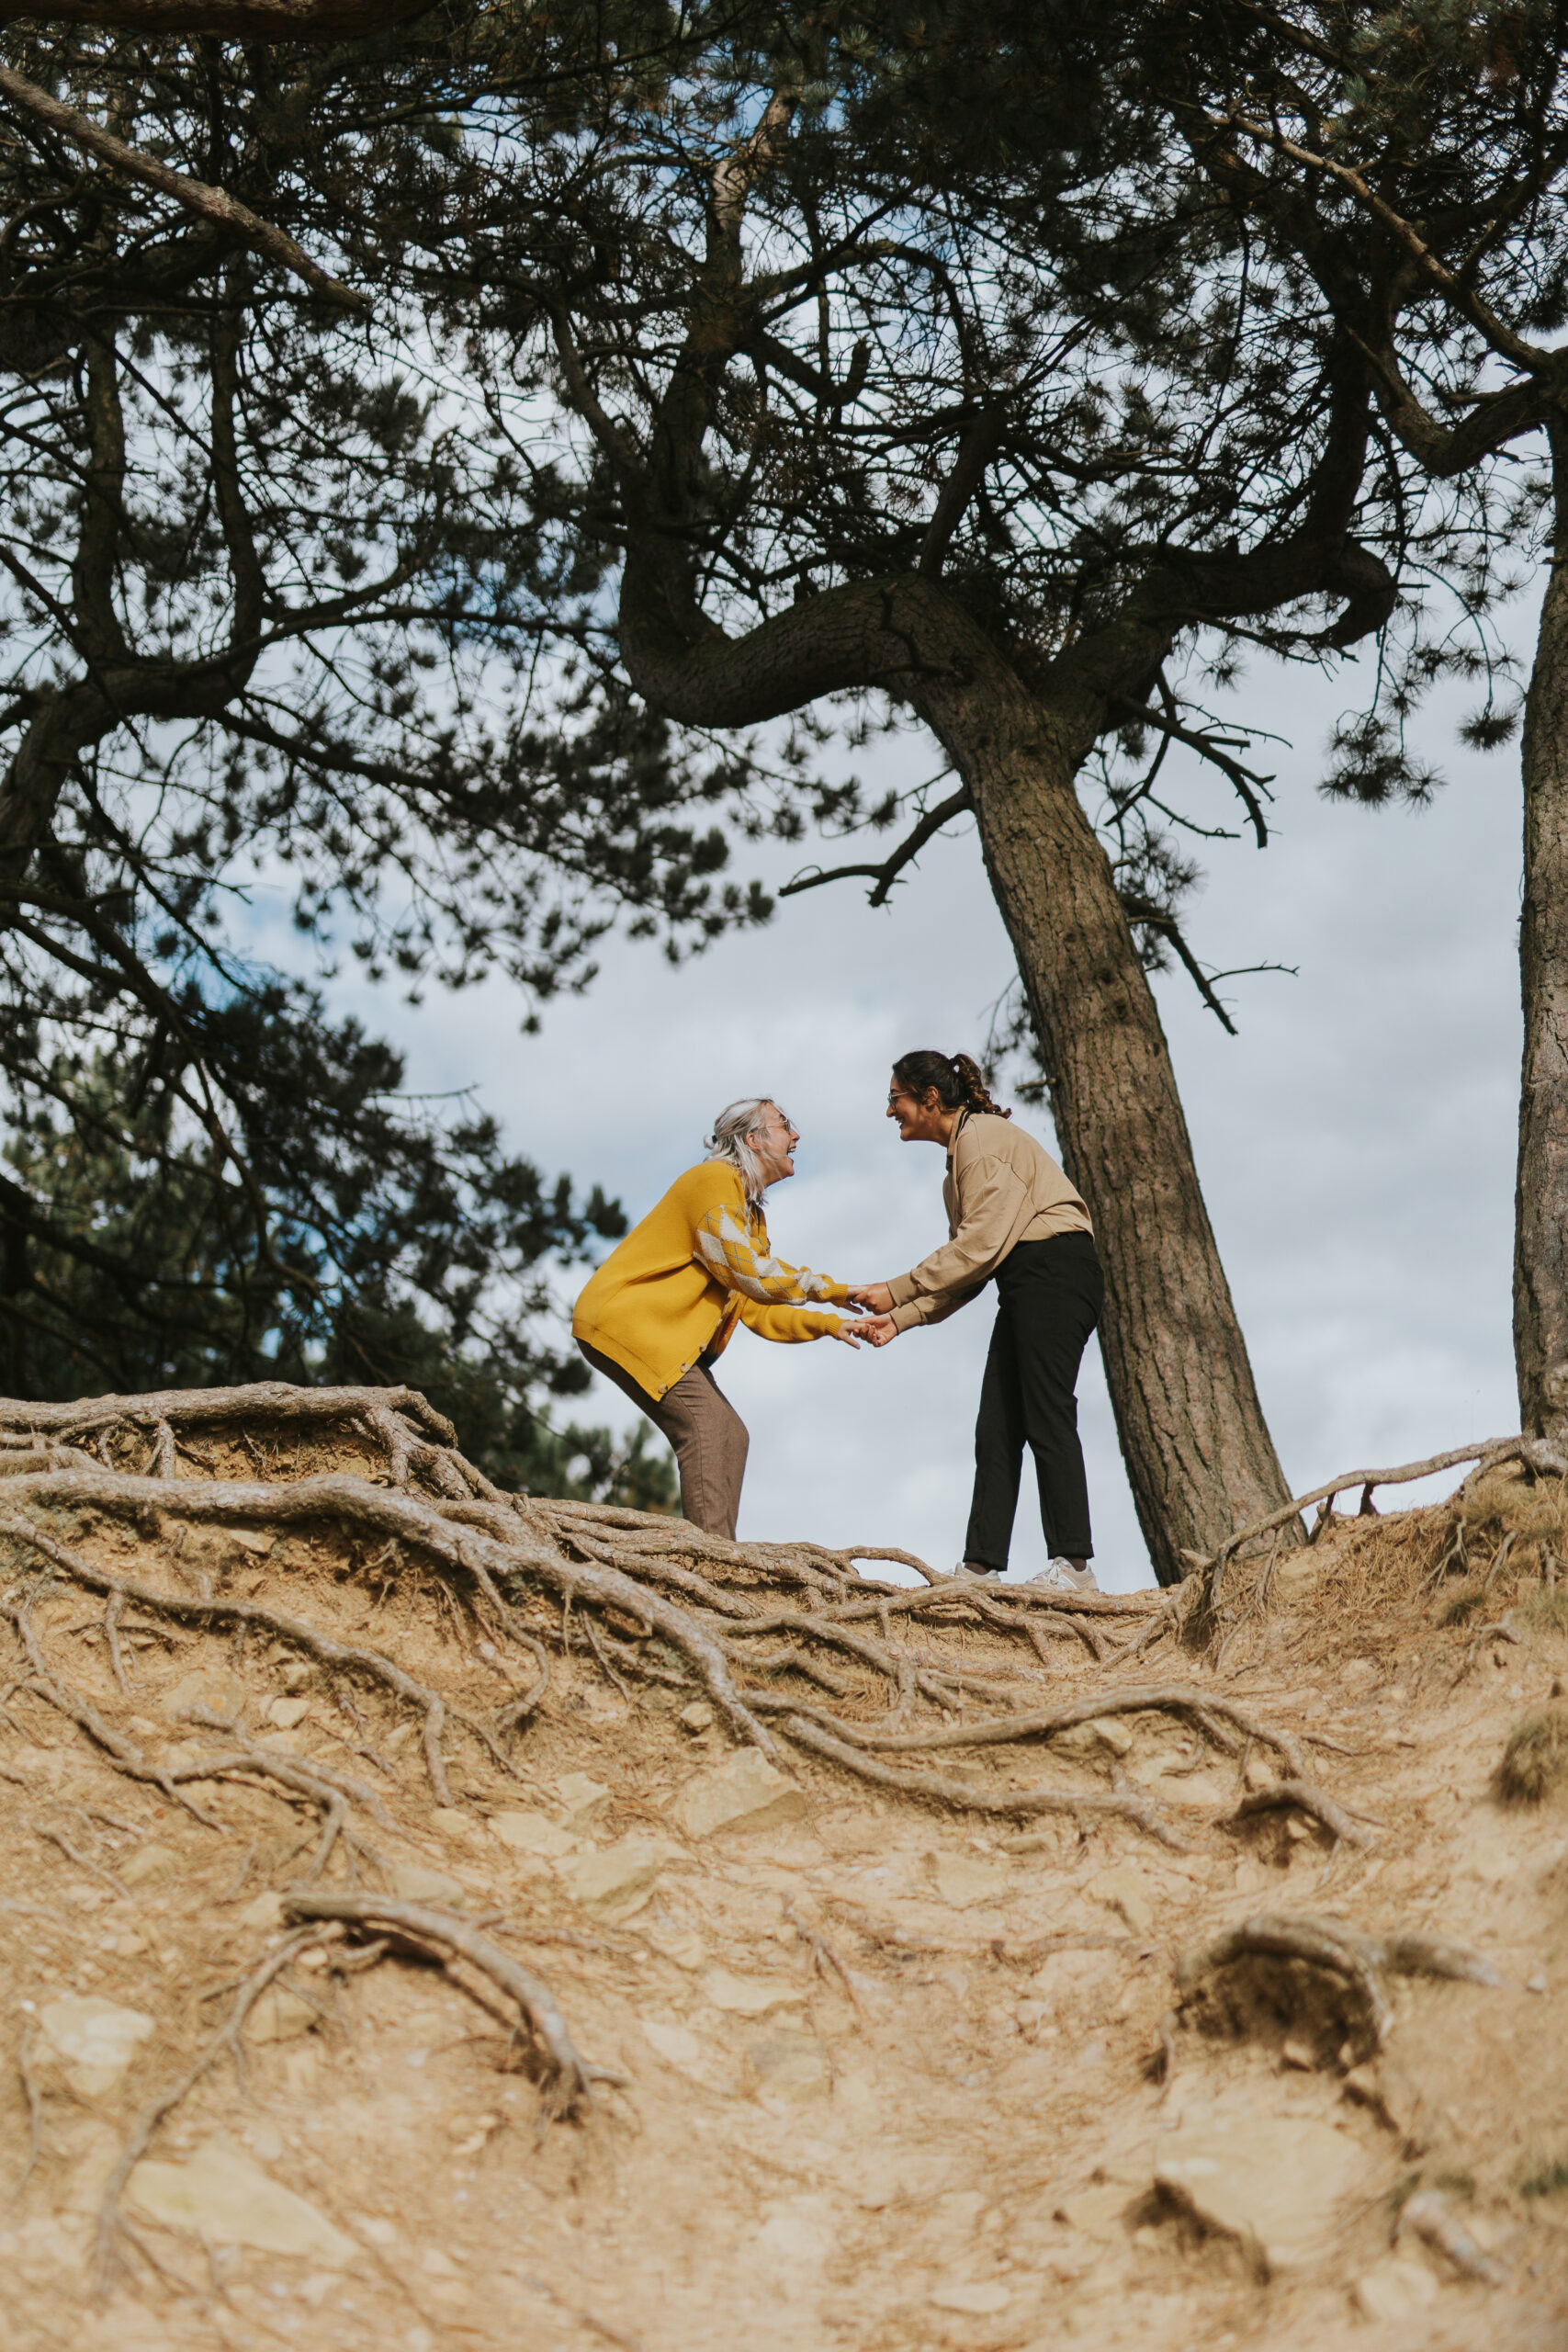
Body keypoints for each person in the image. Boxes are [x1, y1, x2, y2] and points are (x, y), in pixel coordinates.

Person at [852, 1050, 1105, 1593]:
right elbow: (972, 1268)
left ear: (930, 1098)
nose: (889, 1110)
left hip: (1055, 1272)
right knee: (997, 1428)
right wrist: (902, 1318)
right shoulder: (960, 1162)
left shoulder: (982, 1140)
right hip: (1026, 1281)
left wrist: (896, 1289)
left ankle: (1075, 1565)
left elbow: (977, 1249)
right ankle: (979, 1569)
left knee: (1046, 1415)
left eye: (894, 1098)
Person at [572, 1099, 863, 1541]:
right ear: (753, 1139)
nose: (796, 1136)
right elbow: (748, 1273)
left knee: (731, 1434)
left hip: (662, 1338)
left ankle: (719, 1553)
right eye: (785, 1125)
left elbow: (754, 1305)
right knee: (706, 1427)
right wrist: (834, 1290)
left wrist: (829, 1324)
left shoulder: (749, 1215)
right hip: (628, 1322)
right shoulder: (713, 1181)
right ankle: (712, 1563)